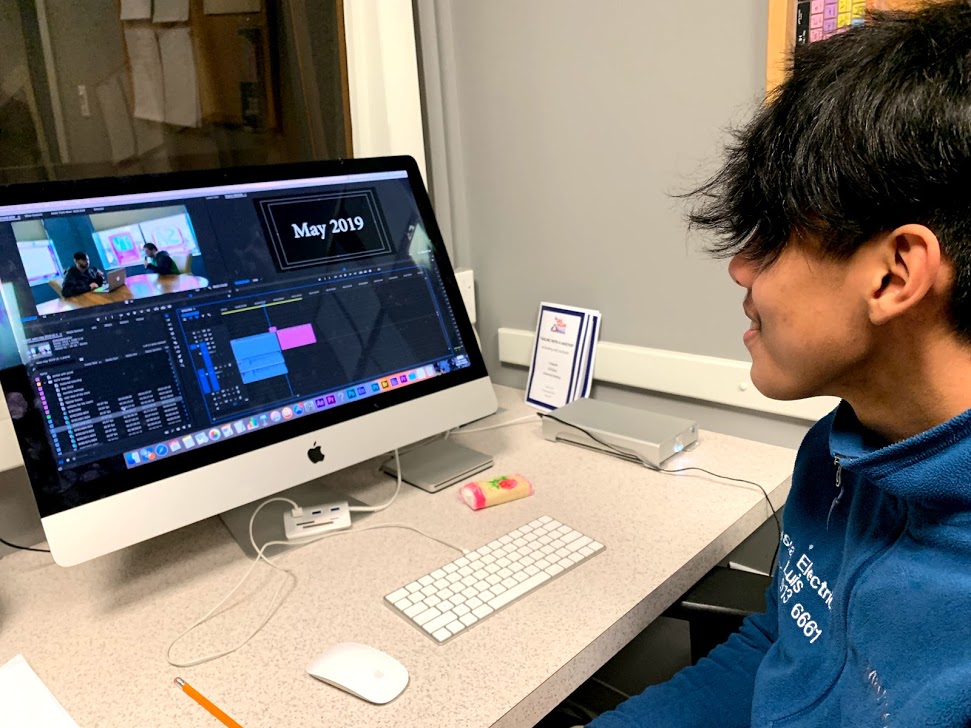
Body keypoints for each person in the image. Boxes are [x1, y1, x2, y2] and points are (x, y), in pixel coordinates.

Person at [588, 3, 971, 726]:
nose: (739, 269)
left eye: (770, 237)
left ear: (893, 274)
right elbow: (780, 649)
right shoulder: (838, 450)